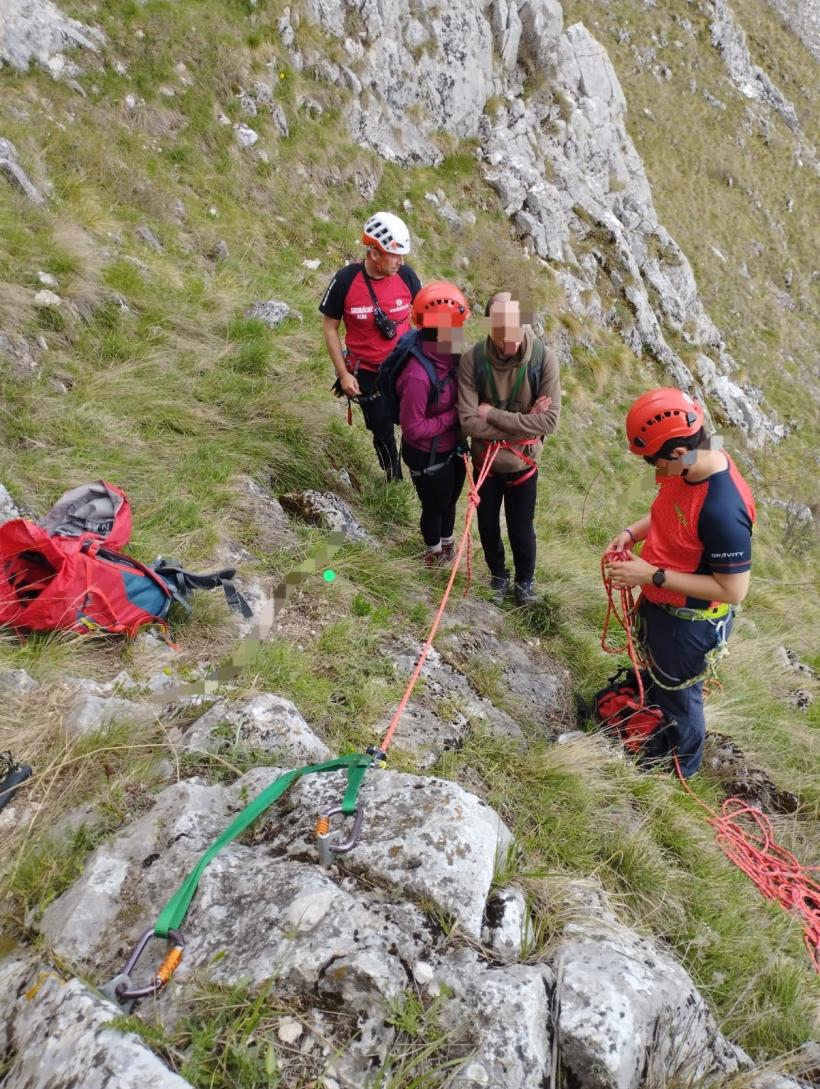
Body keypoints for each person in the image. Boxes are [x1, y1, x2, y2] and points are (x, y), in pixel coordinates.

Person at [603, 387, 756, 777]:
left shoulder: (722, 509)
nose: (651, 472)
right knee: (663, 686)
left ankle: (681, 771)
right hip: (663, 608)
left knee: (682, 701)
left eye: (652, 461)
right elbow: (669, 511)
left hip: (690, 625)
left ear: (676, 454)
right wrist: (632, 531)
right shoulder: (696, 456)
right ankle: (657, 719)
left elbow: (734, 590)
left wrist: (650, 575)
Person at [458, 291, 561, 604]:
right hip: (485, 464)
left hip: (522, 466)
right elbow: (467, 422)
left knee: (521, 529)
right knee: (487, 525)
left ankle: (524, 583)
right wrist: (525, 421)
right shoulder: (472, 360)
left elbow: (550, 422)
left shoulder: (544, 360)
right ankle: (498, 577)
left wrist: (492, 415)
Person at [320, 212, 422, 481]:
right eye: (394, 254)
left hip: (405, 368)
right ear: (374, 253)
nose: (400, 261)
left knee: (414, 422)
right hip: (366, 373)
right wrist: (343, 374)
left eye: (402, 255)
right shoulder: (345, 280)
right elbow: (330, 327)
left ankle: (420, 473)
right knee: (381, 428)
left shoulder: (407, 277)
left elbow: (426, 320)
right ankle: (394, 477)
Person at [393, 281, 470, 567]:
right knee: (435, 506)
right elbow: (412, 428)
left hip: (451, 448)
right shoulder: (417, 375)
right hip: (426, 454)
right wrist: (454, 416)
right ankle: (434, 554)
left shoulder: (451, 357)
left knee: (449, 502)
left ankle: (446, 546)